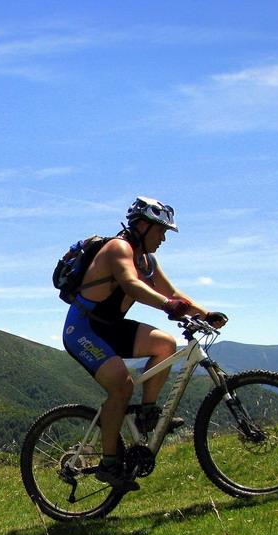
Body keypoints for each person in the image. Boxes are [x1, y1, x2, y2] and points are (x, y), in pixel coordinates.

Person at [62, 196, 227, 491]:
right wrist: (167, 306)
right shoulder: (118, 248)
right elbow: (131, 284)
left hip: (110, 328)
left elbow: (173, 293)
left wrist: (205, 314)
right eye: (160, 230)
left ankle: (147, 415)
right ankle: (109, 464)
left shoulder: (147, 261)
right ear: (142, 226)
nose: (163, 238)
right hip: (83, 329)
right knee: (122, 386)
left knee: (165, 344)